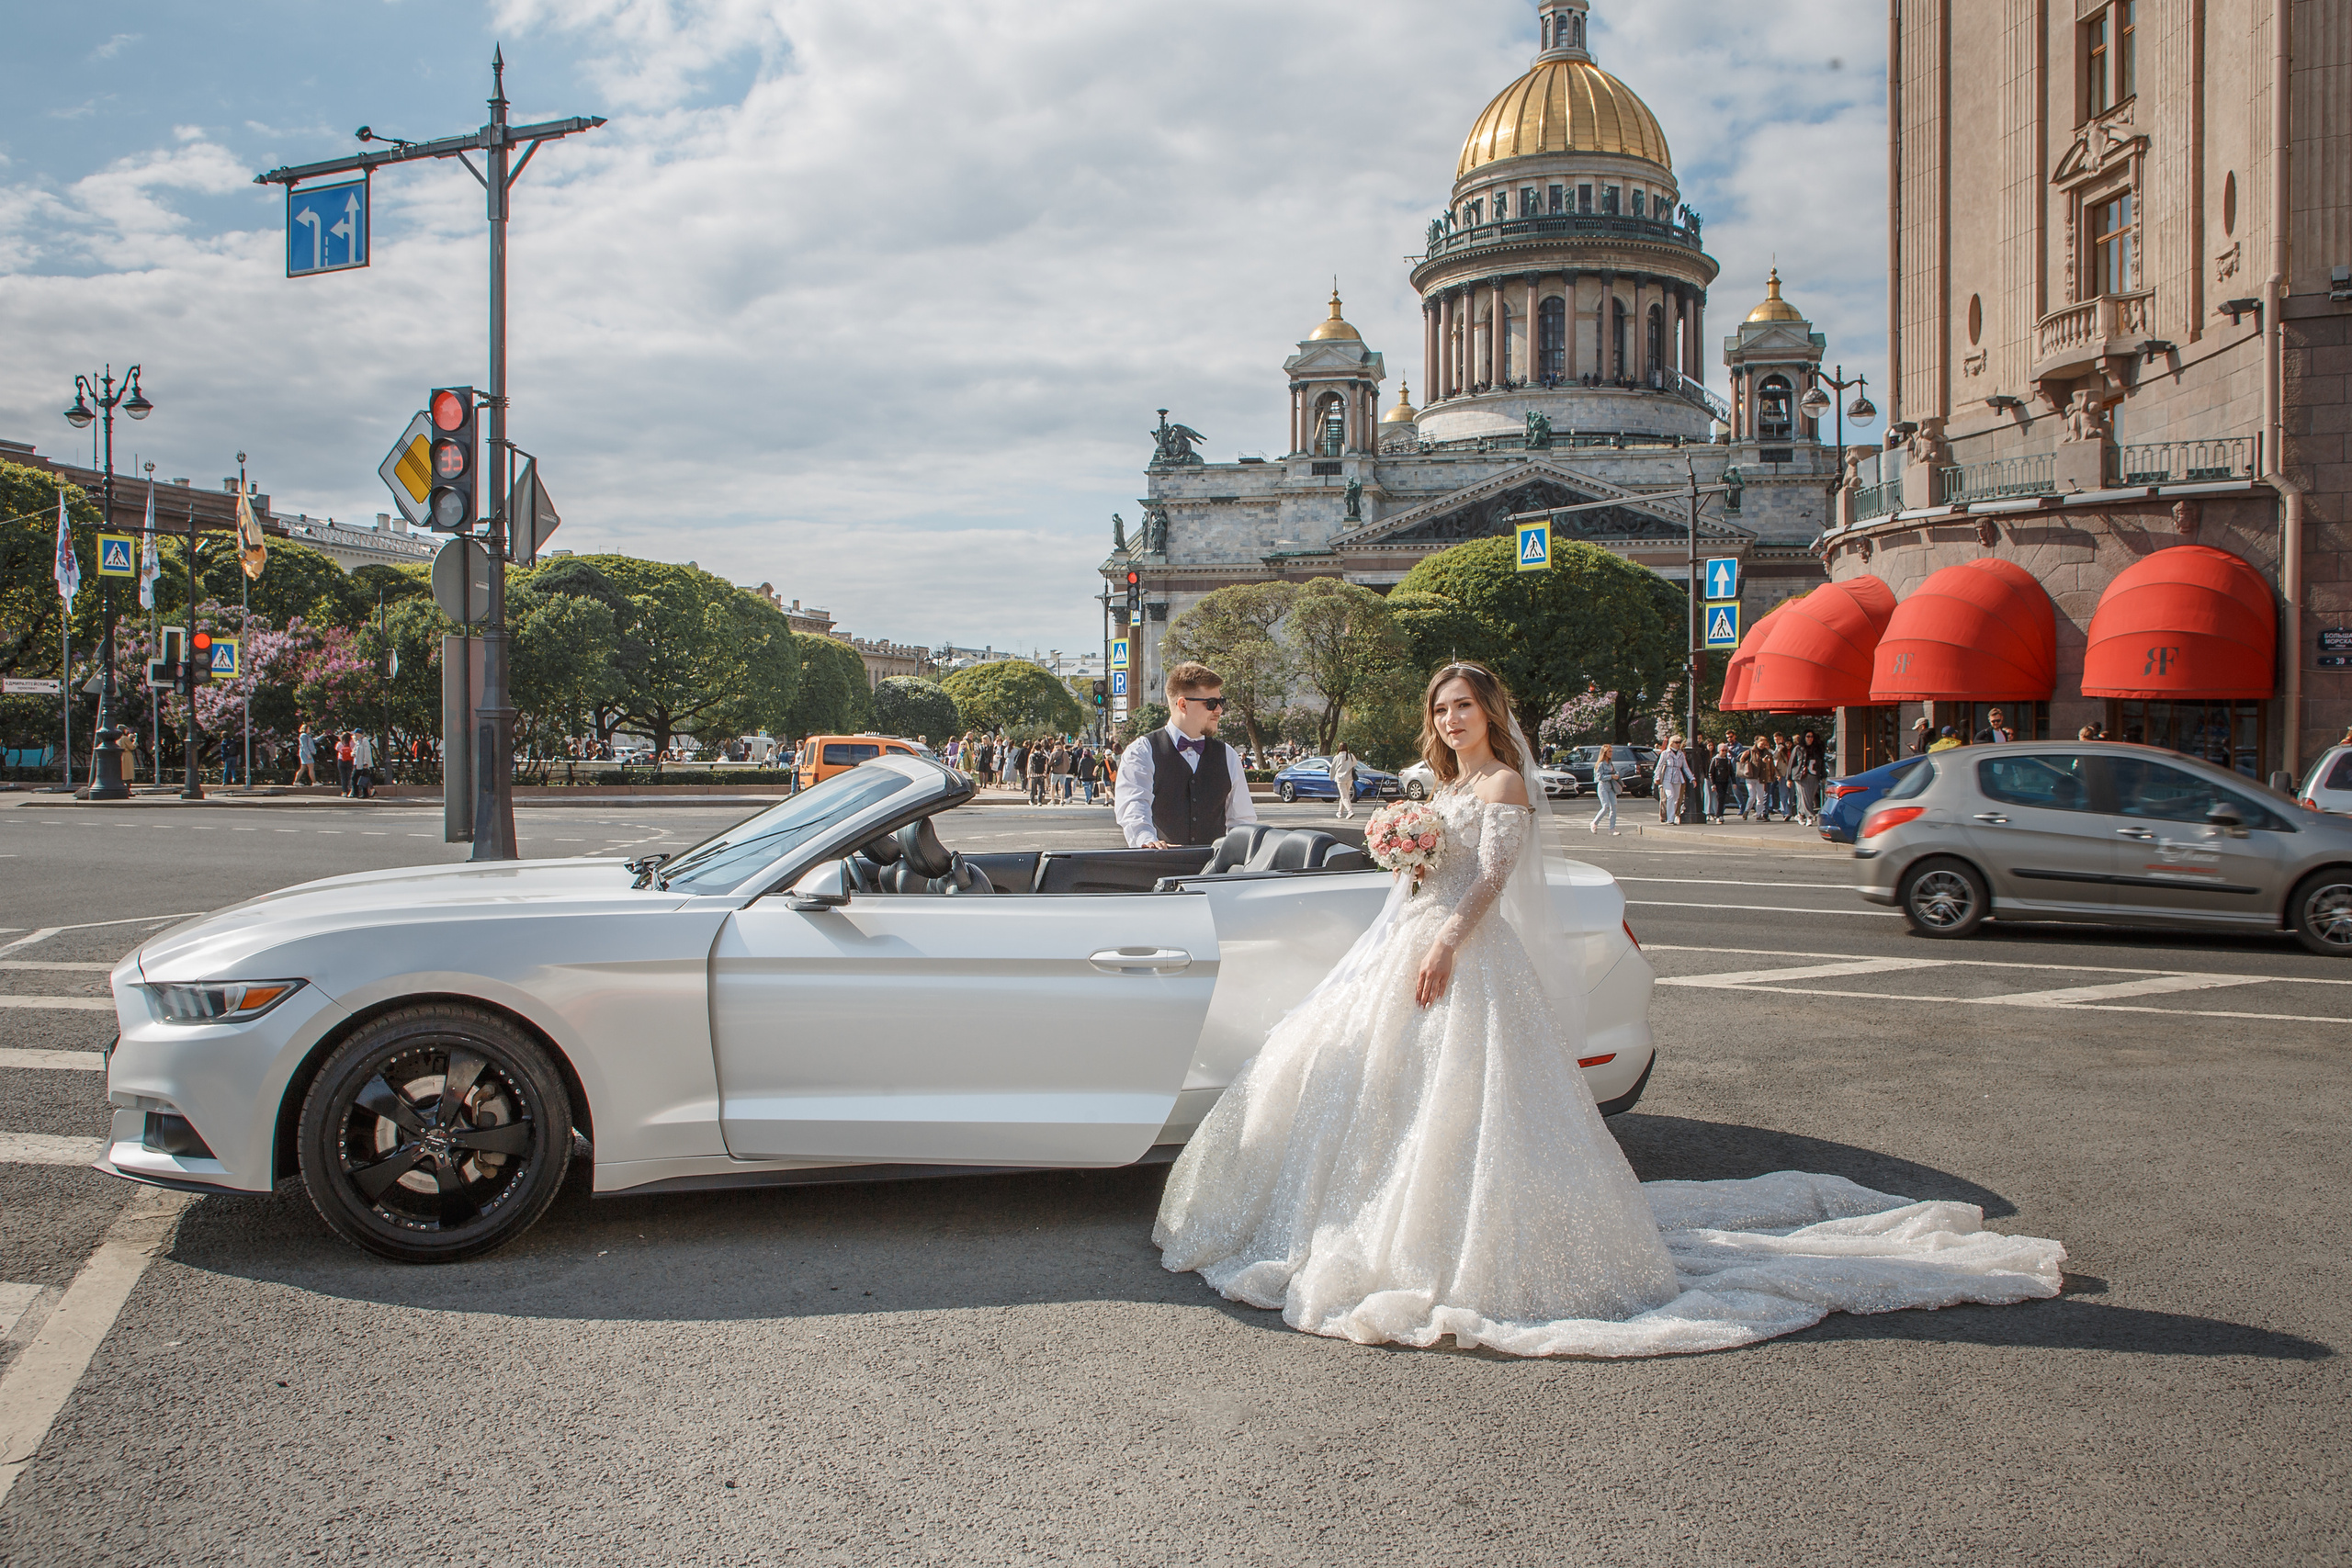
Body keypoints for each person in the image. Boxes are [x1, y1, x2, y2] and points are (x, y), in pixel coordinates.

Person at [1155, 659, 2066, 1358]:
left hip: (1462, 956)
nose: (1449, 718)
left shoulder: (1504, 785)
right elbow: (1432, 871)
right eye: (1439, 709)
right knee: (1380, 1093)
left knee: (1470, 1110)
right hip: (1408, 938)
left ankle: (1464, 1246)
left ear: (1489, 713)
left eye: (1462, 706)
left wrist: (1439, 944)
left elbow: (1491, 889)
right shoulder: (1439, 790)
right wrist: (1406, 865)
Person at [1114, 660, 1259, 848]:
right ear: (1182, 704)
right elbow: (1134, 808)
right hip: (1160, 866)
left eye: (1221, 702)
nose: (1219, 710)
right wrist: (1146, 840)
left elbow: (1242, 821)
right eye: (1212, 703)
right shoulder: (1141, 751)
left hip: (1215, 870)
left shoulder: (1228, 755)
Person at [1654, 736, 1694, 824]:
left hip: (1678, 777)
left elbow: (1685, 767)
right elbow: (1659, 766)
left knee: (1676, 798)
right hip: (1667, 777)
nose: (1678, 744)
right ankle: (1670, 819)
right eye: (1676, 742)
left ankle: (1673, 816)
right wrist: (1656, 777)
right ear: (1672, 743)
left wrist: (1692, 778)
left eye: (1679, 742)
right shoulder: (1665, 753)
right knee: (1670, 796)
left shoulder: (1681, 754)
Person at [1794, 729, 1827, 825]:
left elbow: (1821, 763)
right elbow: (1792, 763)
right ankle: (1809, 816)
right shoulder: (1798, 748)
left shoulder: (1817, 749)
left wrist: (1823, 775)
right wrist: (1789, 778)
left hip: (1814, 776)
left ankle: (1800, 814)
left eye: (1811, 737)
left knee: (1808, 796)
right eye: (1808, 736)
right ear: (1804, 737)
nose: (1810, 739)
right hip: (1801, 776)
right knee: (1805, 796)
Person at [1588, 742, 1620, 834]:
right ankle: (1594, 823)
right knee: (1605, 807)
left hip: (1611, 787)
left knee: (1614, 806)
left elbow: (1613, 771)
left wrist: (1616, 775)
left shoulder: (1610, 763)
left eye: (1612, 751)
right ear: (1604, 753)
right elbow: (1599, 777)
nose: (1611, 753)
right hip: (1603, 786)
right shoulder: (1600, 764)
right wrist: (1611, 777)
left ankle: (1612, 828)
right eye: (1609, 751)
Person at [1707, 740, 1736, 825]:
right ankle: (1718, 815)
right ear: (1719, 751)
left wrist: (1734, 783)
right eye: (1722, 750)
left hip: (1725, 781)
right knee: (1720, 797)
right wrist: (1713, 784)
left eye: (1725, 750)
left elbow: (1731, 772)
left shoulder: (1728, 761)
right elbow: (1711, 772)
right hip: (1718, 781)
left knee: (1723, 798)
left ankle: (1720, 814)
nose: (1724, 752)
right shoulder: (1715, 760)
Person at [1330, 742, 1360, 820]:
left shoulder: (1337, 757)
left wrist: (1331, 777)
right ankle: (1340, 812)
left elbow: (1333, 768)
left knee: (1344, 796)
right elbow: (1355, 763)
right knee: (1344, 796)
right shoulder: (1350, 756)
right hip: (1349, 778)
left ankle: (1350, 811)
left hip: (1340, 779)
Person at [349, 729, 376, 799]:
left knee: (362, 779)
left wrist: (365, 763)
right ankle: (356, 793)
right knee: (355, 778)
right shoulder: (358, 742)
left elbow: (367, 753)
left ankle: (364, 794)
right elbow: (354, 751)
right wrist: (353, 754)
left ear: (359, 734)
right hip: (357, 764)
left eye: (355, 734)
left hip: (363, 764)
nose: (354, 735)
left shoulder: (365, 741)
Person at [294, 723, 319, 787]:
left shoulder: (307, 736)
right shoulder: (303, 736)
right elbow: (304, 746)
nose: (310, 730)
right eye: (309, 728)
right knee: (311, 767)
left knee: (303, 768)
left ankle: (296, 781)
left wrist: (323, 735)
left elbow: (315, 740)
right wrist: (308, 754)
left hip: (305, 753)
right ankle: (314, 782)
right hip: (305, 754)